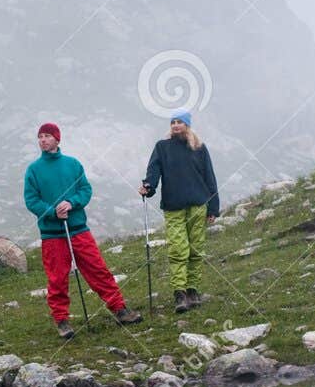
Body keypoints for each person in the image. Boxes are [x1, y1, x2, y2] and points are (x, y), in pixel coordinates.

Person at [24, 122, 142, 338]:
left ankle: (119, 309)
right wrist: (51, 212)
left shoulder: (73, 164)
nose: (43, 140)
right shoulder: (33, 170)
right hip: (52, 234)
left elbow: (85, 190)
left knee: (98, 269)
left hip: (78, 228)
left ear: (57, 140)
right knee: (57, 278)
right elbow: (31, 200)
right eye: (40, 136)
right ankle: (62, 321)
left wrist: (71, 203)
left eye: (47, 136)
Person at [138, 110, 220, 314]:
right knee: (178, 249)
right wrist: (148, 187)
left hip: (198, 204)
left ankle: (193, 290)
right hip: (173, 205)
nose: (175, 125)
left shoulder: (199, 148)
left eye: (180, 122)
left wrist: (213, 207)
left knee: (196, 248)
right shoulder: (162, 147)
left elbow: (209, 177)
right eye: (173, 122)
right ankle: (180, 293)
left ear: (187, 125)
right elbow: (153, 171)